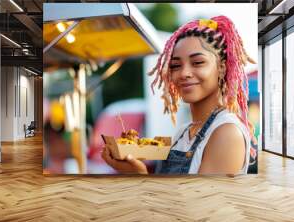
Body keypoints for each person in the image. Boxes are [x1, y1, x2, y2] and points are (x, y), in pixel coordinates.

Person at [102, 15, 257, 175]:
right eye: (175, 65)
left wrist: (139, 176)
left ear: (222, 68)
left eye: (197, 62)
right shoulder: (183, 133)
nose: (184, 73)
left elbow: (199, 200)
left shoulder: (226, 132)